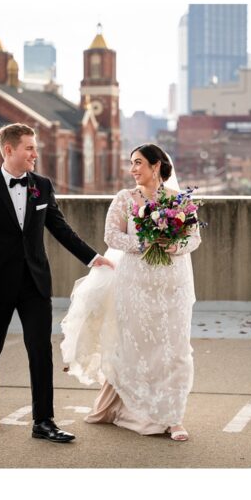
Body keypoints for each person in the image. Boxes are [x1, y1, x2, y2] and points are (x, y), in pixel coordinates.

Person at [0, 123, 115, 443]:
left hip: (35, 283)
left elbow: (59, 227)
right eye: (29, 148)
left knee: (41, 351)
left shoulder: (42, 185)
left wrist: (91, 257)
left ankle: (43, 421)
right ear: (9, 150)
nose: (35, 153)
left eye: (35, 147)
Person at [60, 144, 200, 441]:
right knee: (136, 347)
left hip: (173, 284)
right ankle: (135, 409)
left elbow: (194, 238)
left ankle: (173, 417)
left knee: (175, 350)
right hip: (135, 283)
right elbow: (111, 236)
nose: (133, 169)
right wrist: (144, 244)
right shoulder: (124, 198)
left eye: (138, 163)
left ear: (156, 165)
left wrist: (173, 246)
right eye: (131, 163)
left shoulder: (180, 201)